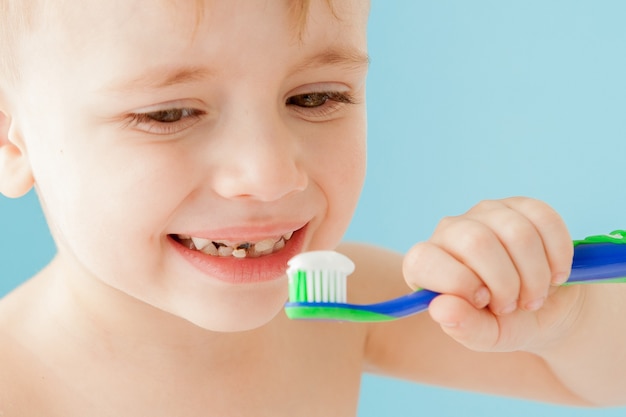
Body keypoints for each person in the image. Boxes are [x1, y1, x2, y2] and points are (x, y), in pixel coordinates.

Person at [0, 1, 624, 415]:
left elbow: (597, 381)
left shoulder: (351, 303)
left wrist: (562, 323)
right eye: (170, 113)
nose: (270, 176)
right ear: (11, 138)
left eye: (316, 97)